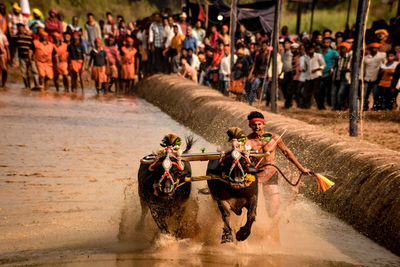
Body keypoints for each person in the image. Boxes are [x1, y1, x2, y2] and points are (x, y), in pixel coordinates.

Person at [245, 111, 311, 242]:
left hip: (271, 174)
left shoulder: (275, 138)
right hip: (254, 176)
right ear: (250, 126)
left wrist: (301, 168)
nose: (257, 127)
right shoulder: (247, 141)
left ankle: (273, 238)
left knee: (273, 211)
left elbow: (287, 152)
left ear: (263, 124)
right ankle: (251, 234)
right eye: (254, 125)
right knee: (252, 207)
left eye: (259, 124)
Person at [15, 23, 39, 89]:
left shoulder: (29, 37)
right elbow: (13, 47)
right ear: (17, 29)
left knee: (34, 71)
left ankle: (37, 85)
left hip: (30, 57)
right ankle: (27, 86)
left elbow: (33, 48)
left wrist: (33, 56)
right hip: (21, 57)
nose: (20, 30)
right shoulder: (15, 37)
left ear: (24, 29)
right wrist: (14, 58)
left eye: (22, 28)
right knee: (24, 73)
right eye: (19, 28)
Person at [303, 44, 326, 109]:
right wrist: (303, 69)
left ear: (314, 50)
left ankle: (321, 107)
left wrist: (317, 69)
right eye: (309, 50)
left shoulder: (318, 56)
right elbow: (305, 67)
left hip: (317, 76)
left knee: (317, 92)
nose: (310, 51)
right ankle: (307, 106)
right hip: (308, 76)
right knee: (307, 92)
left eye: (311, 49)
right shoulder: (306, 57)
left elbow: (323, 65)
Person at [364, 42, 386, 111]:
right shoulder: (366, 58)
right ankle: (365, 107)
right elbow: (362, 68)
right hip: (367, 78)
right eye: (372, 48)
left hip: (377, 78)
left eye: (375, 48)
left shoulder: (382, 56)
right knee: (364, 95)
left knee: (376, 94)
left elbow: (384, 65)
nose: (374, 49)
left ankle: (376, 107)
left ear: (378, 49)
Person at [331, 42, 352, 110]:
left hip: (345, 77)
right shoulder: (337, 58)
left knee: (341, 93)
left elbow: (350, 68)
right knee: (334, 93)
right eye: (341, 48)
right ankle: (335, 107)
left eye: (344, 48)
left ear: (347, 49)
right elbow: (333, 66)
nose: (342, 50)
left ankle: (340, 107)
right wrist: (332, 71)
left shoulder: (350, 57)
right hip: (337, 77)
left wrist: (345, 70)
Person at [320, 37, 339, 107]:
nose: (326, 44)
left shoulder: (333, 52)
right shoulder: (320, 52)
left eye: (327, 42)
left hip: (329, 74)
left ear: (330, 43)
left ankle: (330, 104)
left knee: (328, 91)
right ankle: (321, 106)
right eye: (324, 42)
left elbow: (337, 60)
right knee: (321, 91)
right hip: (320, 74)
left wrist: (332, 69)